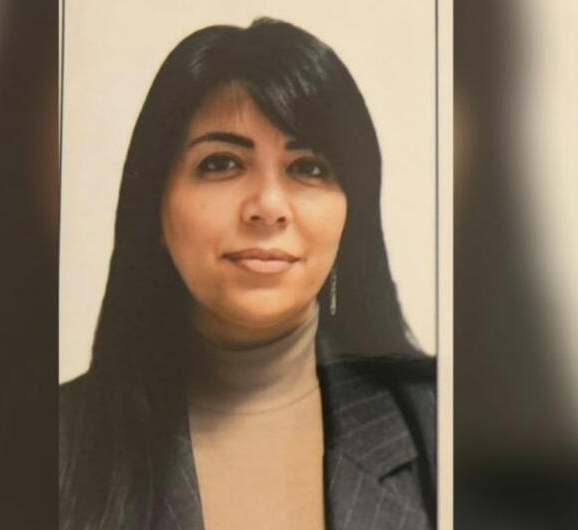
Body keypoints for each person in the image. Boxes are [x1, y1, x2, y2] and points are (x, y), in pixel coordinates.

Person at [60, 18, 436, 530]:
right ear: (154, 207)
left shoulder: (442, 426)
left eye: (309, 167)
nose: (268, 206)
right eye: (221, 163)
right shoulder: (48, 443)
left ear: (352, 215)